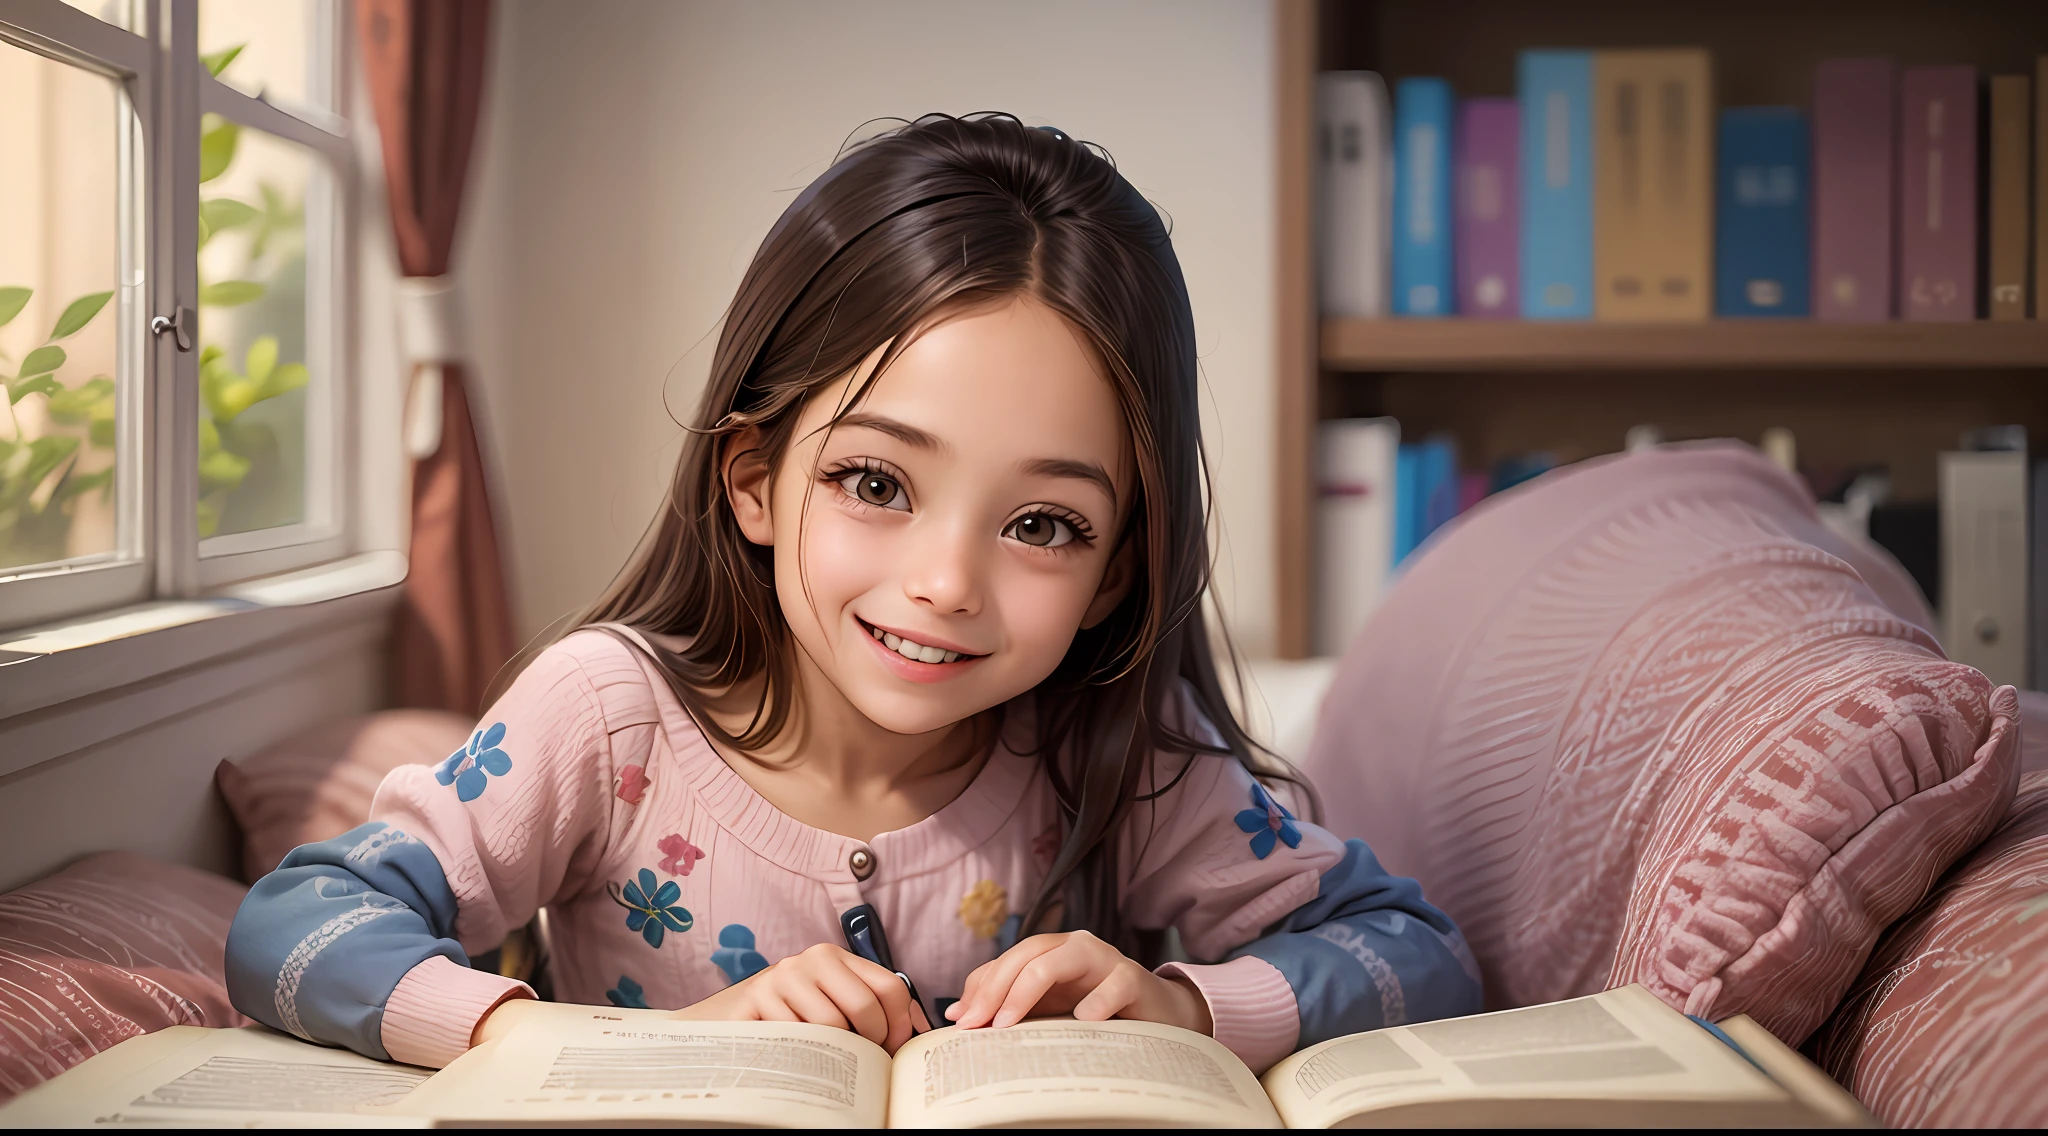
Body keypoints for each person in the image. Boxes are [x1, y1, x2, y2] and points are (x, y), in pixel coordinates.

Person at [224, 113, 1481, 1073]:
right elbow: (291, 925)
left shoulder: (1114, 753)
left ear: (1116, 574)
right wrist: (569, 1040)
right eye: (876, 481)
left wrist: (1185, 1002)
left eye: (1043, 524)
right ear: (756, 481)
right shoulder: (606, 718)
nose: (943, 583)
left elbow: (1417, 951)